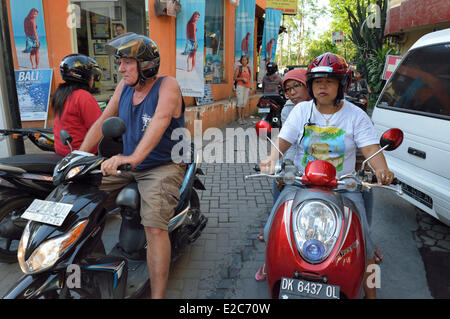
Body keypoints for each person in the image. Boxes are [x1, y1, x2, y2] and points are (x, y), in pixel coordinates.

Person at [257, 53, 392, 299]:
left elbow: (372, 149)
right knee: (270, 232)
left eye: (330, 81)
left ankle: (371, 292)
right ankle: (275, 269)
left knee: (367, 243)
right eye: (317, 81)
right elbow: (283, 141)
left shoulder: (356, 116)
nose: (322, 86)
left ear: (342, 85)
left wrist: (381, 168)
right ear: (310, 85)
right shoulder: (301, 111)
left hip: (345, 186)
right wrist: (271, 159)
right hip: (300, 183)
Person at [79, 33, 187, 299]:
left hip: (162, 166)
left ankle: (157, 295)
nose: (120, 68)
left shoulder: (167, 85)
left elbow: (160, 120)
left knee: (154, 228)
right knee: (81, 194)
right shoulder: (124, 88)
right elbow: (105, 117)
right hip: (129, 164)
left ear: (146, 64)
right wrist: (80, 155)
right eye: (120, 62)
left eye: (127, 62)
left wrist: (133, 158)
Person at [256, 68, 311, 243]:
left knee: (358, 197)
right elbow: (288, 141)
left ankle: (366, 239)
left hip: (330, 169)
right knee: (279, 183)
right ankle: (275, 223)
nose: (292, 92)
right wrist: (282, 166)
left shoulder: (341, 110)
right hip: (300, 164)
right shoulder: (289, 109)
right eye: (288, 89)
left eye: (297, 86)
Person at [52, 54, 103, 156]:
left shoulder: (60, 93)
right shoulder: (83, 96)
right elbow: (99, 127)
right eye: (91, 75)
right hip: (82, 152)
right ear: (84, 76)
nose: (93, 78)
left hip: (62, 150)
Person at [233, 55, 251, 124]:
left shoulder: (248, 69)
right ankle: (239, 118)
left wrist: (250, 86)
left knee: (244, 103)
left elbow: (249, 78)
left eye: (246, 60)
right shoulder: (238, 68)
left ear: (247, 61)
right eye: (243, 60)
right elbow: (234, 78)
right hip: (240, 86)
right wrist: (242, 78)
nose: (244, 61)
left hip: (247, 87)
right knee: (240, 102)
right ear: (241, 61)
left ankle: (243, 118)